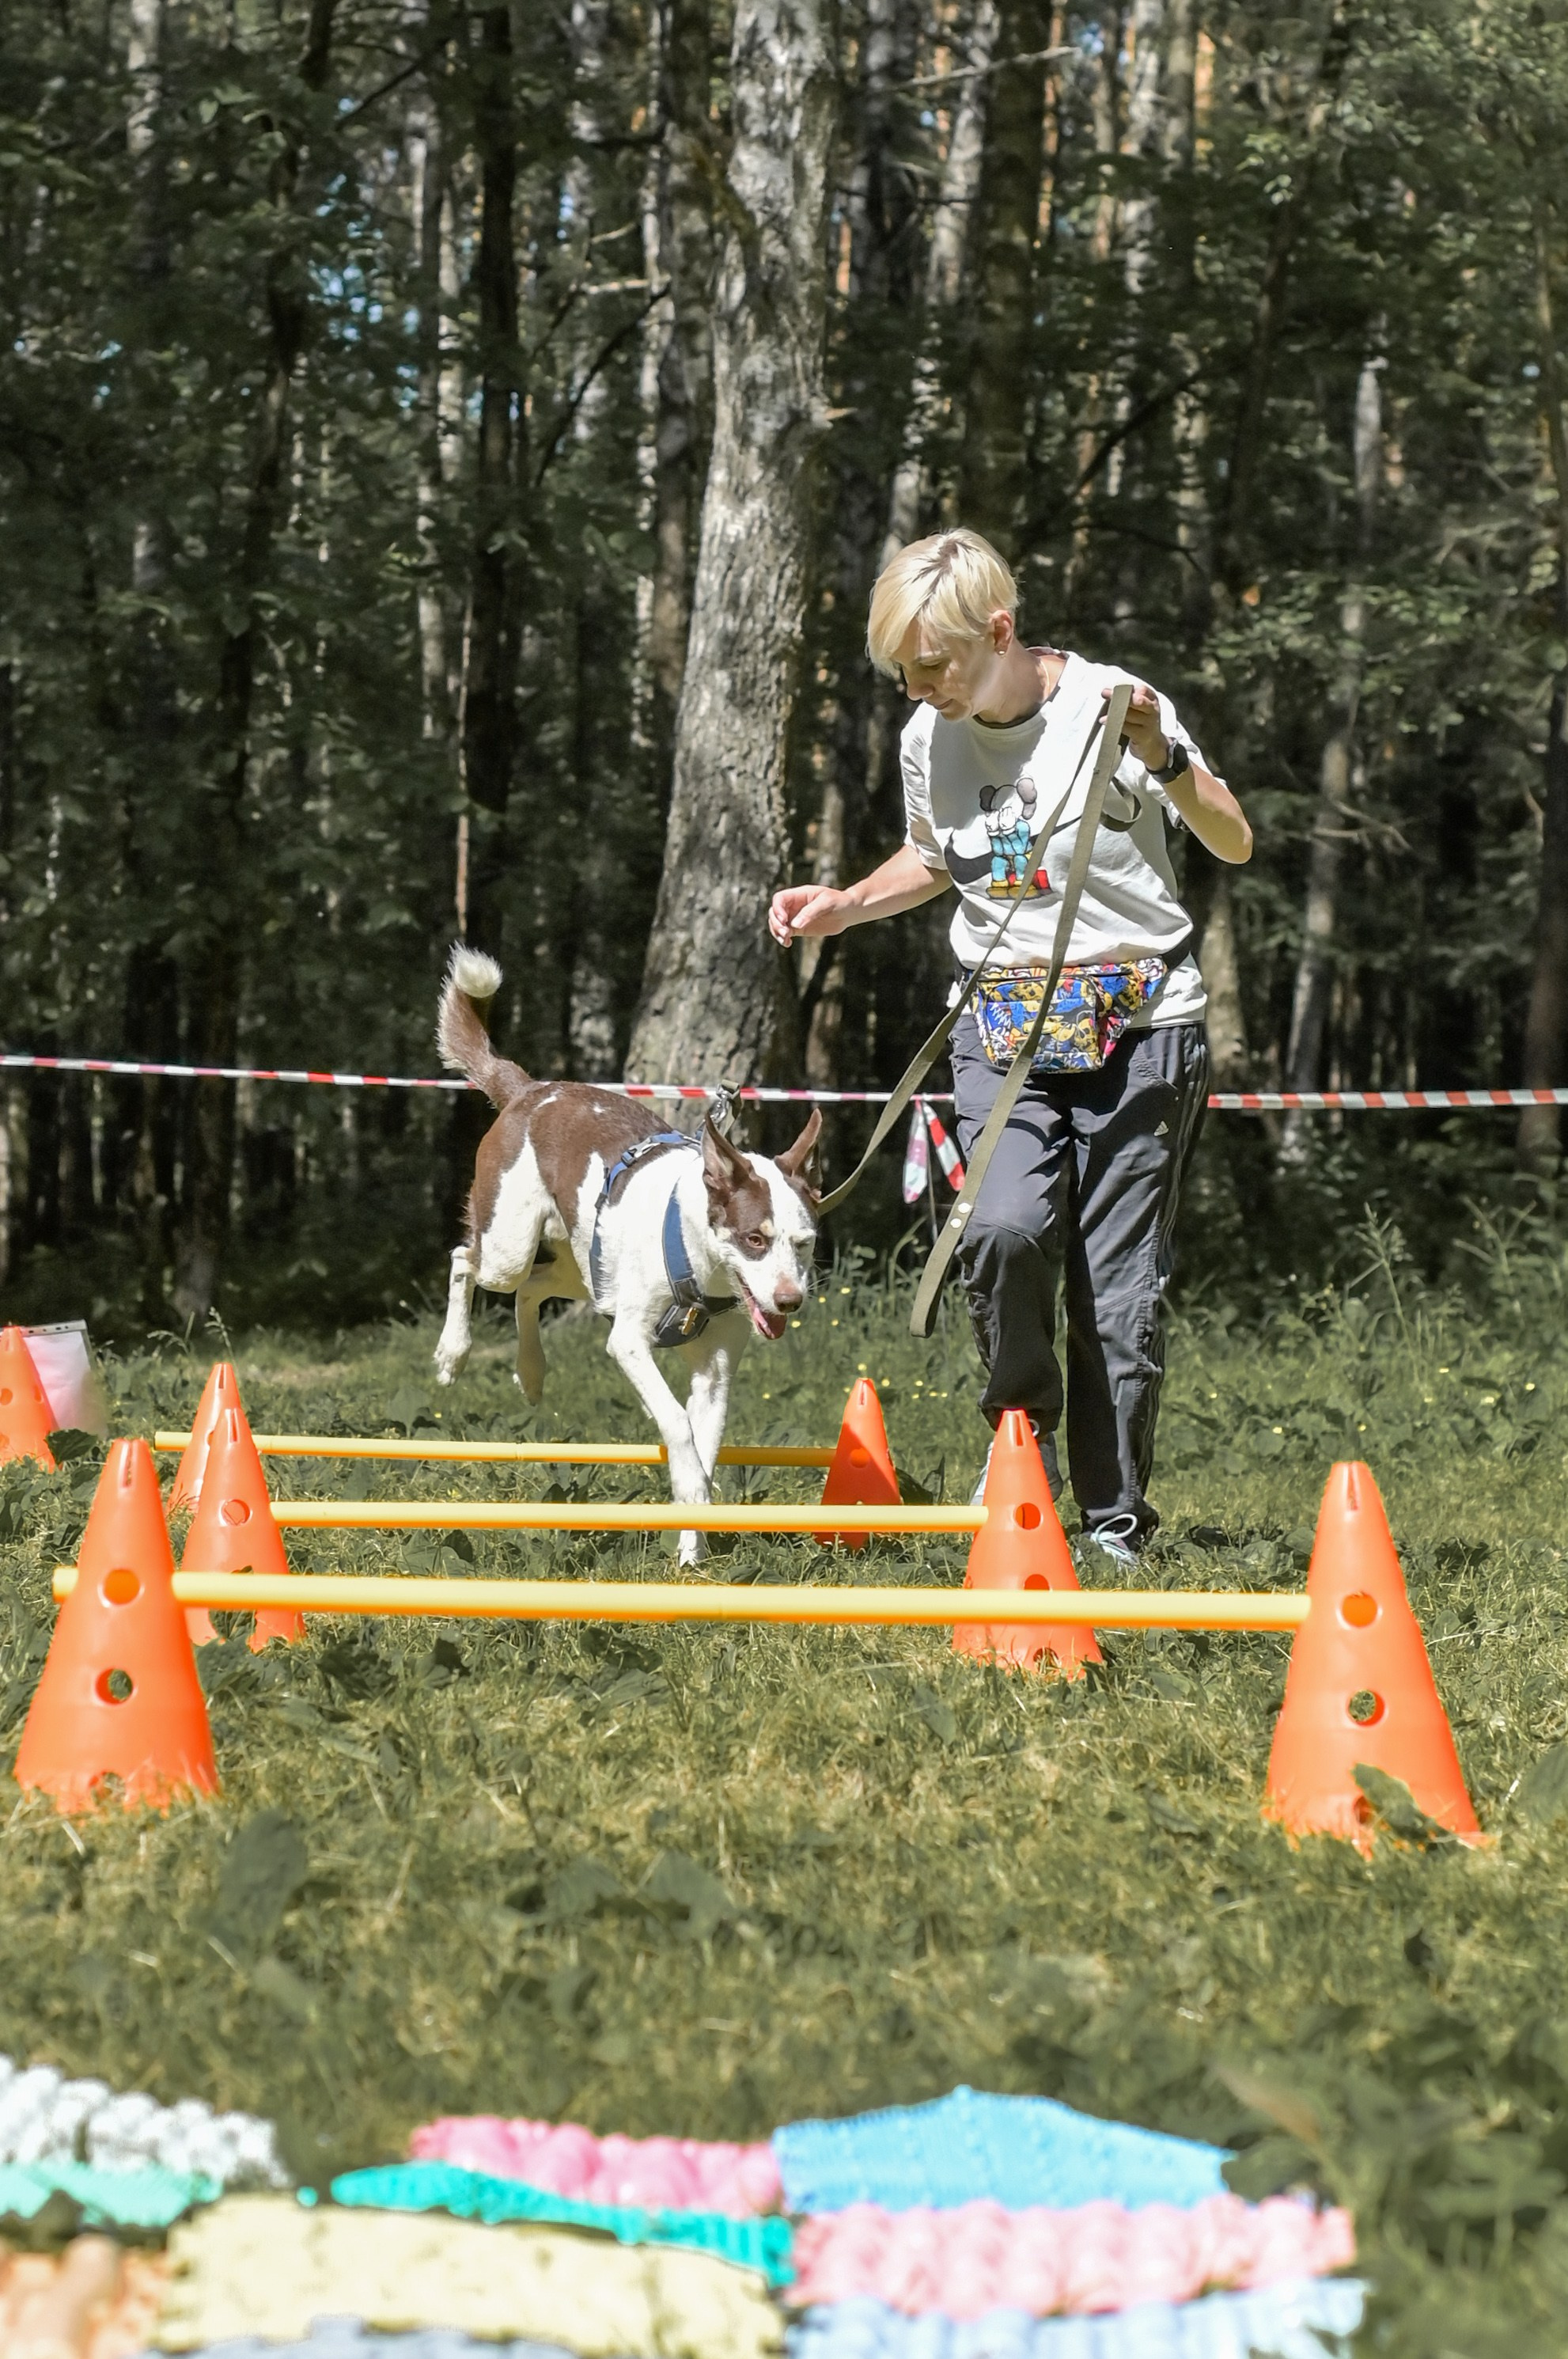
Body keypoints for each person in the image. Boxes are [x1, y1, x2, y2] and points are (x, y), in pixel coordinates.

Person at [768, 530, 1252, 1565]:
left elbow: (1232, 839)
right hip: (1000, 1024)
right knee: (1000, 1230)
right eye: (902, 669)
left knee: (1117, 1285)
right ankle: (1018, 1439)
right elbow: (934, 856)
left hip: (1141, 1025)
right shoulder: (924, 735)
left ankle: (1112, 1520)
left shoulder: (1109, 703)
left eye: (933, 664)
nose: (918, 685)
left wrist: (1160, 751)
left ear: (998, 632)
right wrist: (845, 906)